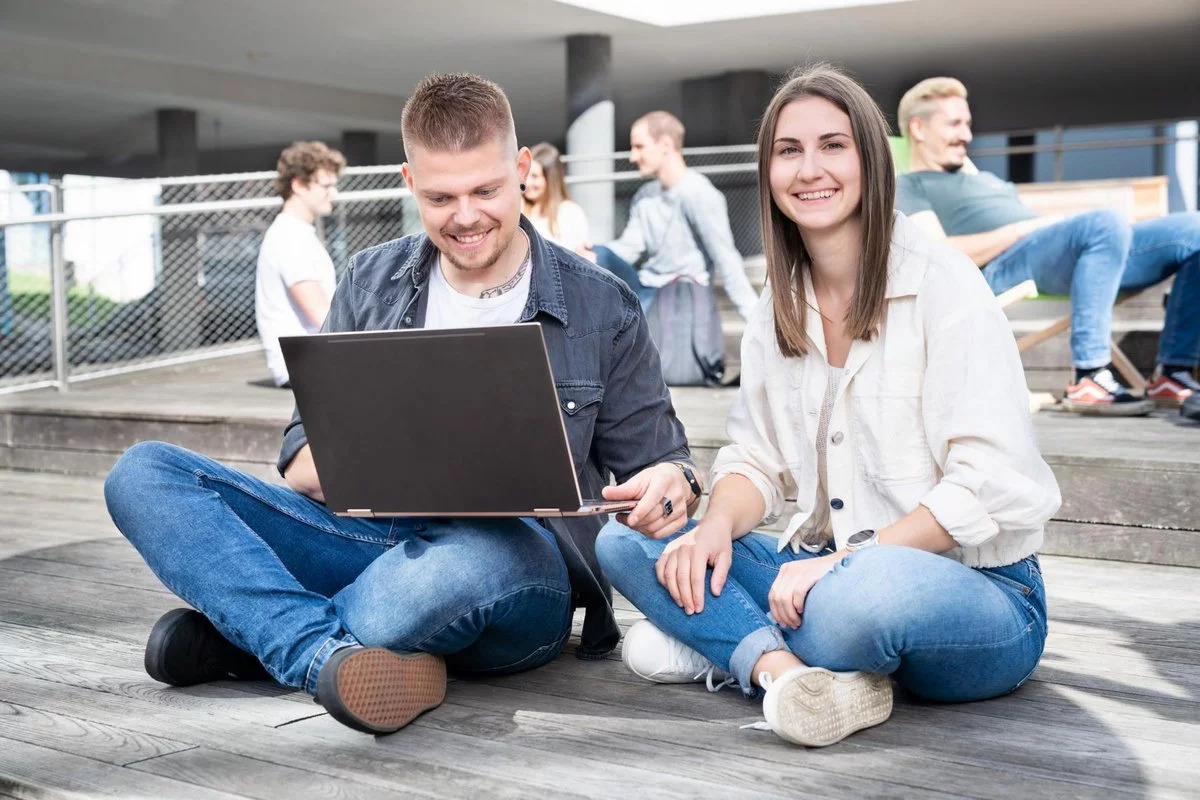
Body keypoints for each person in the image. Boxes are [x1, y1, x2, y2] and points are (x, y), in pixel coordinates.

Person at [104, 72, 702, 736]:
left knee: (455, 568)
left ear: (524, 170)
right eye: (441, 196)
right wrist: (397, 463)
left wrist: (673, 483)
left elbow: (665, 463)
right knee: (144, 474)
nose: (466, 217)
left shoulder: (601, 304)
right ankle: (325, 655)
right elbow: (299, 459)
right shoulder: (370, 280)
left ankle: (249, 639)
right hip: (373, 539)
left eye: (486, 190)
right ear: (408, 181)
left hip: (518, 568)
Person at [596, 64, 1061, 748]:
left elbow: (991, 484)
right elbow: (757, 458)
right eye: (789, 150)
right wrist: (717, 525)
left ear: (870, 157)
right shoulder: (775, 308)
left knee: (855, 604)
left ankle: (727, 645)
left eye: (832, 145)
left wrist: (846, 565)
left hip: (979, 595)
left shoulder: (945, 284)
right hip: (821, 571)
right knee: (629, 540)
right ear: (769, 171)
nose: (809, 169)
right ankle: (785, 675)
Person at [896, 77, 1200, 415]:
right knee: (1104, 222)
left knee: (1194, 229)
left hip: (1071, 254)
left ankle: (1173, 372)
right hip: (1004, 267)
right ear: (919, 129)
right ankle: (1090, 375)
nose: (967, 135)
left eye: (968, 124)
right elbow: (940, 252)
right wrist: (1023, 229)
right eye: (954, 124)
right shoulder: (909, 185)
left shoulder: (984, 179)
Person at [582, 111, 759, 319]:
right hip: (648, 289)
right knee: (597, 254)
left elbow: (726, 258)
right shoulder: (645, 196)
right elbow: (629, 248)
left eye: (639, 147)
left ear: (666, 144)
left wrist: (756, 321)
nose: (632, 156)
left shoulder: (699, 193)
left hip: (684, 293)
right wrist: (592, 254)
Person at [255, 141, 346, 388]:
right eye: (326, 185)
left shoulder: (296, 234)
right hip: (302, 369)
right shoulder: (289, 239)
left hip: (310, 364)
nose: (334, 194)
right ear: (298, 185)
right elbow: (323, 318)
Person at [522, 142, 590, 251]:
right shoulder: (518, 210)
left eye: (535, 176)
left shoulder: (570, 212)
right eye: (526, 175)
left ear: (551, 179)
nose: (527, 182)